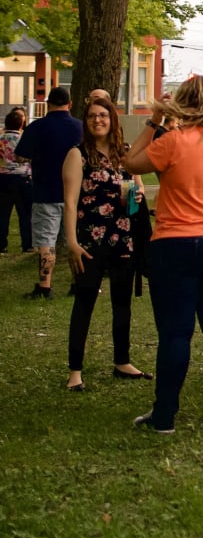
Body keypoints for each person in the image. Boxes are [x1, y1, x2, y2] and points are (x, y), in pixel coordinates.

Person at [124, 75, 203, 433]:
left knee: (176, 334)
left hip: (175, 242)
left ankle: (165, 416)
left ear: (181, 102)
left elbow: (131, 162)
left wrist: (155, 120)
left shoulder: (172, 142)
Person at [62, 95, 151, 391]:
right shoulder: (78, 154)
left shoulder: (125, 154)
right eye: (92, 116)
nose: (98, 120)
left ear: (113, 120)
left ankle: (122, 361)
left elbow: (136, 190)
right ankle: (75, 370)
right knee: (85, 301)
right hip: (90, 240)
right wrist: (72, 242)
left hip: (122, 238)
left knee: (122, 302)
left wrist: (136, 197)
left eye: (103, 115)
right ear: (86, 122)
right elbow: (71, 203)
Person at [15, 86, 83, 299]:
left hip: (45, 191)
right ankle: (78, 283)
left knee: (46, 241)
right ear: (69, 104)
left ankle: (45, 285)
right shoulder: (80, 127)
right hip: (76, 194)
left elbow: (20, 156)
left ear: (48, 103)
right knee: (75, 239)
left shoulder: (37, 127)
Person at [0, 108, 33, 254]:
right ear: (21, 124)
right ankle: (27, 244)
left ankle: (2, 244)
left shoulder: (1, 139)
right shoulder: (24, 138)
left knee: (3, 213)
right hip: (22, 177)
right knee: (25, 213)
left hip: (3, 178)